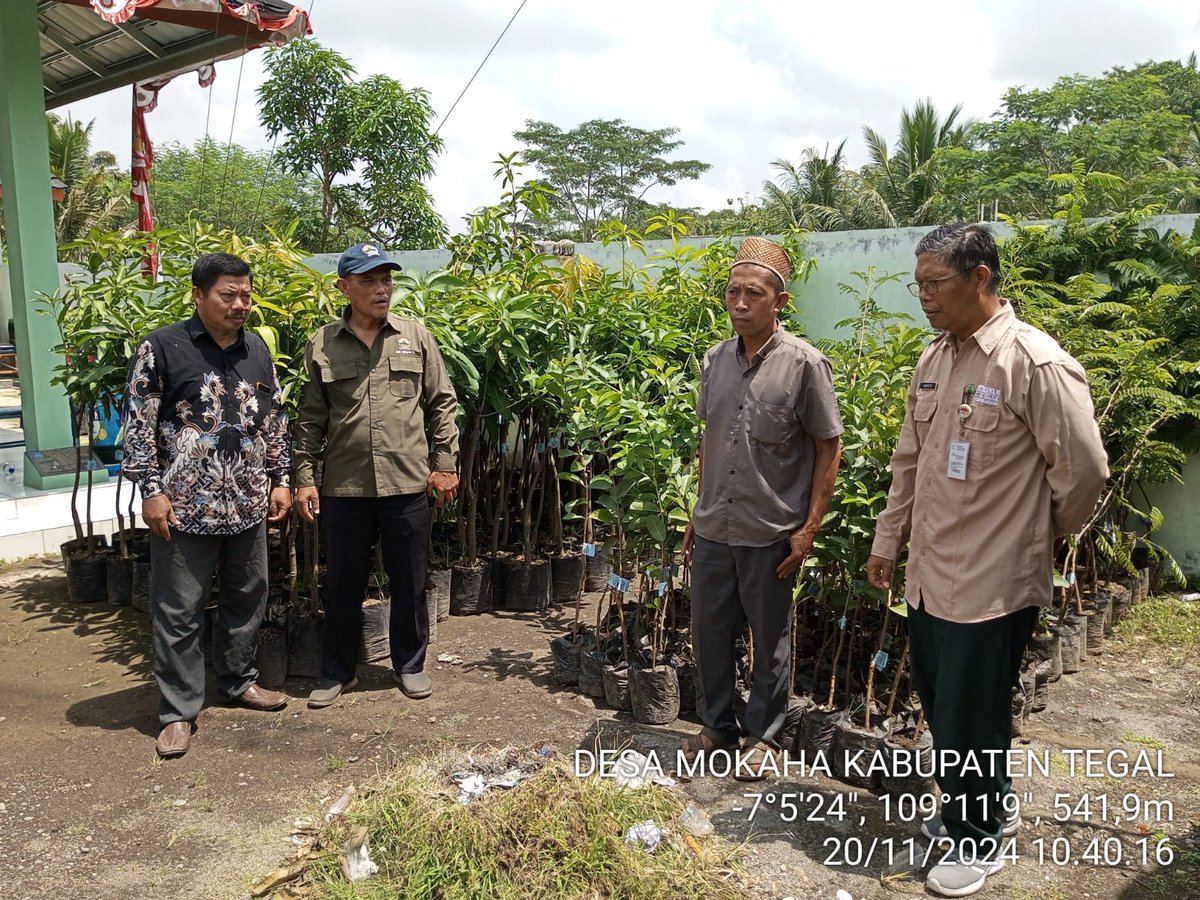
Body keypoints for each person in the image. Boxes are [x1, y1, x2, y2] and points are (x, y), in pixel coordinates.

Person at [866, 223, 1108, 897]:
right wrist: (888, 541)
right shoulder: (935, 360)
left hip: (993, 580)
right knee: (945, 706)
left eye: (935, 284)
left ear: (981, 279)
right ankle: (974, 808)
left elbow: (1084, 468)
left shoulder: (1031, 361)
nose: (924, 298)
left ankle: (979, 840)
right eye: (918, 285)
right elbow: (908, 461)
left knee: (977, 714)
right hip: (930, 574)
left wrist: (1045, 534)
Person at [681, 237, 843, 780]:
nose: (741, 303)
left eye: (754, 293)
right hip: (714, 527)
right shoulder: (715, 361)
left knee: (769, 638)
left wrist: (809, 529)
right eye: (733, 292)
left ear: (780, 301)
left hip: (771, 530)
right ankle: (716, 726)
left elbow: (828, 446)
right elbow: (712, 438)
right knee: (709, 630)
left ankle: (763, 737)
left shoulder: (804, 365)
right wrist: (694, 512)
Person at [122, 252, 292, 759]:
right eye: (228, 295)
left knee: (247, 597)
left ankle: (239, 681)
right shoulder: (161, 348)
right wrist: (150, 491)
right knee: (178, 611)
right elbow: (138, 425)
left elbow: (274, 419)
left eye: (246, 294)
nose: (240, 304)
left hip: (246, 502)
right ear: (198, 296)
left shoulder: (257, 349)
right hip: (183, 509)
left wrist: (280, 479)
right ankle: (178, 711)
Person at [293, 243, 459, 709]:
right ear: (344, 288)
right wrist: (305, 477)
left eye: (386, 279)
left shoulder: (416, 336)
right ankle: (336, 672)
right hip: (345, 486)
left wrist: (444, 464)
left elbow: (441, 402)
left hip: (406, 481)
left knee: (410, 579)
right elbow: (310, 417)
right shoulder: (322, 343)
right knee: (343, 581)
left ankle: (409, 665)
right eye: (368, 281)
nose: (381, 289)